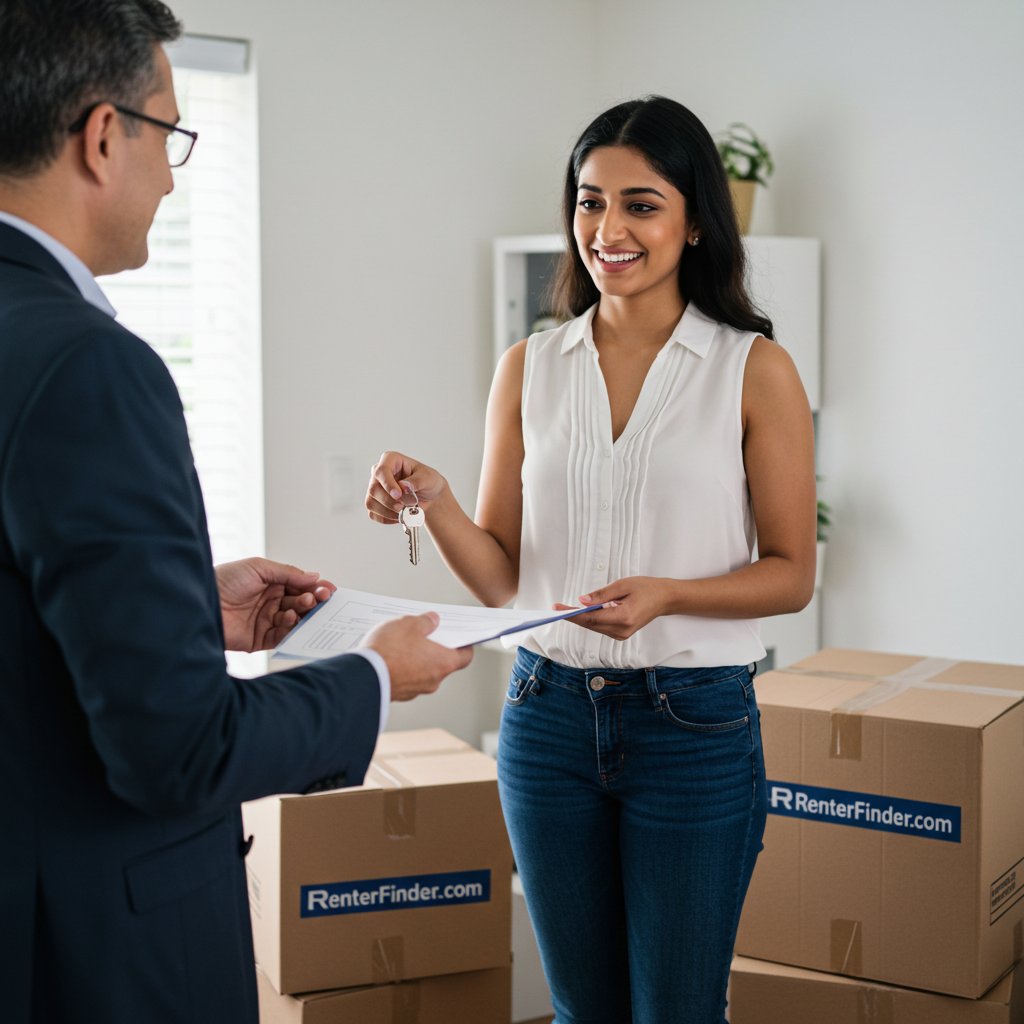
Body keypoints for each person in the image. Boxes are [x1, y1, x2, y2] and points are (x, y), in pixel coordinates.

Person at [0, 2, 471, 1021]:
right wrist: (376, 676)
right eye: (168, 135)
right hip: (94, 955)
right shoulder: (90, 365)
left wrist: (177, 611)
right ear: (100, 136)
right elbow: (178, 751)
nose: (172, 175)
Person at [366, 95, 815, 1023]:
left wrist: (667, 596)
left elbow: (791, 571)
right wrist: (436, 501)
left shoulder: (752, 368)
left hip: (693, 730)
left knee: (678, 1012)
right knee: (582, 1012)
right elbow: (502, 578)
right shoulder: (530, 366)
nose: (607, 229)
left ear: (694, 221)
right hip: (548, 720)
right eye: (588, 201)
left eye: (641, 204)